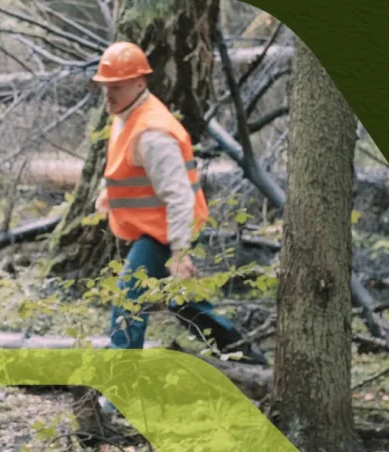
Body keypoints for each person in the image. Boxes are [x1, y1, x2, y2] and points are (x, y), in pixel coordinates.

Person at [91, 41, 267, 367]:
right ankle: (247, 358)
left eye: (115, 87)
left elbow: (179, 197)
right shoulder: (126, 113)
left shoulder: (153, 135)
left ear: (139, 83)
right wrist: (108, 191)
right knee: (182, 302)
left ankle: (118, 392)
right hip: (156, 226)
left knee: (128, 300)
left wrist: (179, 253)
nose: (108, 94)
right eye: (104, 86)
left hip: (168, 230)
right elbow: (127, 166)